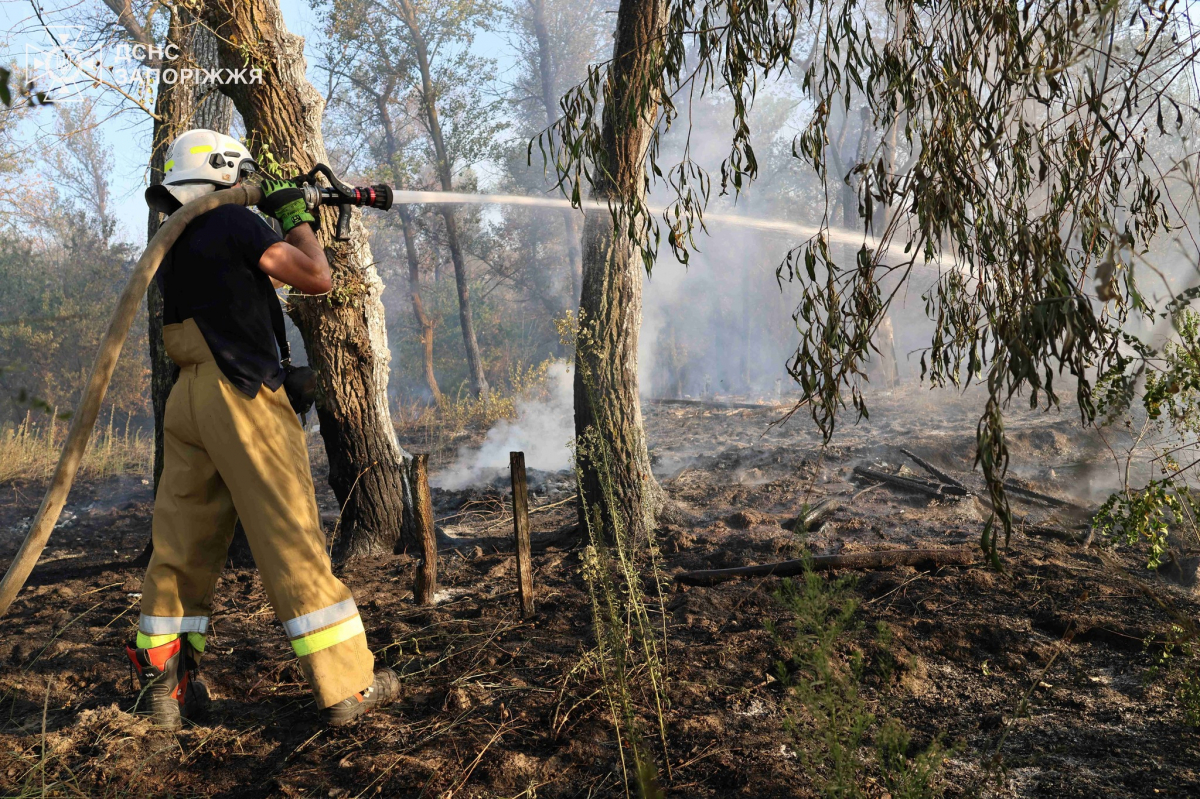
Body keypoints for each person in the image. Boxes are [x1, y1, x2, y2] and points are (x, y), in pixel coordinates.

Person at [126, 128, 399, 730]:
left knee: (180, 547)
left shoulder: (181, 237)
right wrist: (294, 217)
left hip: (189, 399)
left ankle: (163, 694)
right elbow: (315, 277)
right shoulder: (233, 224)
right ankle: (348, 687)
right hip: (241, 397)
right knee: (291, 536)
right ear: (226, 171)